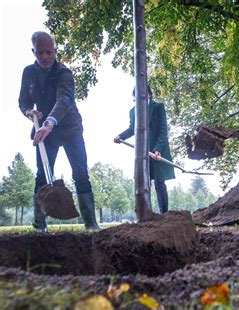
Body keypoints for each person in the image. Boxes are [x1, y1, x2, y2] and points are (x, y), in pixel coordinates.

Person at [19, 31, 100, 231]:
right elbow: (23, 101)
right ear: (33, 52)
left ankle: (91, 224)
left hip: (70, 129)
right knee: (42, 176)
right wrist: (29, 112)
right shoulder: (28, 72)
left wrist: (49, 122)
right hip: (46, 133)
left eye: (49, 52)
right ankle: (39, 225)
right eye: (40, 53)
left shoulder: (64, 72)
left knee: (81, 173)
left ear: (55, 51)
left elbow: (65, 98)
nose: (45, 57)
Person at [114, 86, 175, 214]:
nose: (139, 98)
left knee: (159, 182)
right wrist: (121, 136)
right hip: (141, 152)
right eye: (136, 96)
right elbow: (132, 129)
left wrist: (158, 149)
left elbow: (163, 131)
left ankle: (164, 214)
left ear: (148, 94)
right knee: (143, 182)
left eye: (142, 94)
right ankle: (145, 213)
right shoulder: (133, 111)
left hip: (157, 151)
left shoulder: (158, 107)